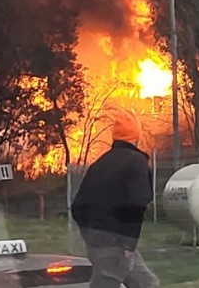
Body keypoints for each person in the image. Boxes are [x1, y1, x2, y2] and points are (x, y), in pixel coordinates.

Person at [71, 110, 158, 288]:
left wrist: (91, 237)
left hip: (102, 244)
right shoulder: (136, 162)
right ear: (136, 136)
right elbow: (136, 205)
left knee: (146, 283)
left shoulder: (100, 163)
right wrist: (127, 244)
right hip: (118, 245)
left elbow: (77, 207)